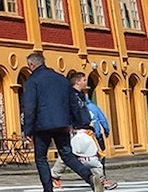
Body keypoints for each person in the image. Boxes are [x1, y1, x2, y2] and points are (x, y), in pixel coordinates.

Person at [23, 52, 101, 192]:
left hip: (42, 126)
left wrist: (27, 129)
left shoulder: (32, 81)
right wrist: (77, 123)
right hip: (62, 124)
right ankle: (90, 177)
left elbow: (30, 106)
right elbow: (72, 103)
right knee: (67, 155)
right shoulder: (61, 80)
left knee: (41, 158)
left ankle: (48, 189)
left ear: (31, 65)